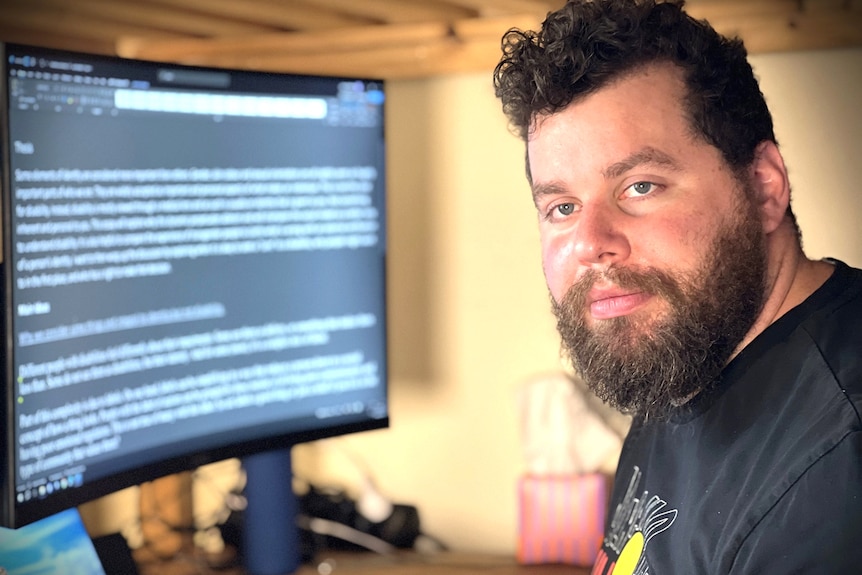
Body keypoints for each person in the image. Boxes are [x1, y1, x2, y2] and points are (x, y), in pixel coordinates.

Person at [493, 0, 862, 573]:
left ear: (764, 188)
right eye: (562, 206)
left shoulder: (832, 476)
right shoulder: (688, 343)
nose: (591, 242)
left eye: (640, 187)